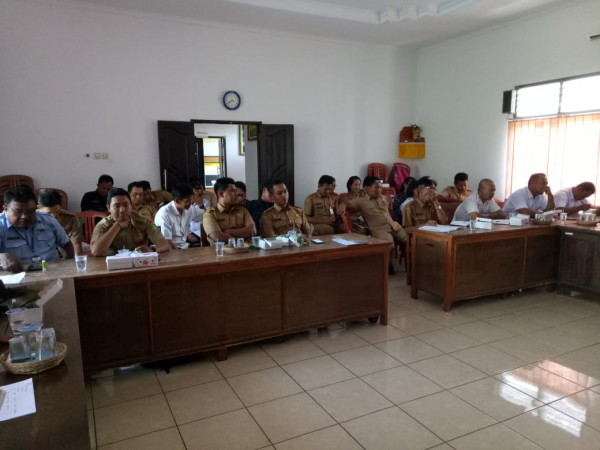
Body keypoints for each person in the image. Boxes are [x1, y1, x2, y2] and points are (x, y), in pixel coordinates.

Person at [339, 176, 406, 274]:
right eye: (376, 187)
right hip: (380, 230)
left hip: (395, 226)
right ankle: (388, 266)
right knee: (389, 246)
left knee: (412, 240)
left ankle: (415, 264)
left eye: (380, 187)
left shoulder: (383, 197)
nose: (379, 190)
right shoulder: (361, 201)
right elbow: (348, 204)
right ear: (367, 188)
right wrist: (343, 204)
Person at [0, 185, 74, 272]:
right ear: (5, 209)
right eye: (18, 212)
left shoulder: (48, 220)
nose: (24, 216)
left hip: (52, 271)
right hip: (17, 274)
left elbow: (66, 244)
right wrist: (1, 257)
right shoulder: (1, 225)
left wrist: (66, 268)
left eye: (30, 211)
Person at [90, 187, 171, 256]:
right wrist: (117, 226)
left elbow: (164, 244)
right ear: (108, 208)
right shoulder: (103, 225)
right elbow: (96, 251)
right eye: (117, 206)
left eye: (126, 205)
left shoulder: (144, 221)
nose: (122, 210)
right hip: (113, 265)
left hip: (140, 263)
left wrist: (152, 249)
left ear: (131, 206)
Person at [203, 177, 256, 244]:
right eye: (233, 191)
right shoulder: (211, 214)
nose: (236, 194)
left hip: (243, 249)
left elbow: (252, 231)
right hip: (220, 250)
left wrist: (228, 232)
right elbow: (218, 238)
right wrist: (241, 239)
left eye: (236, 191)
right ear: (222, 194)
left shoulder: (242, 210)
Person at [154, 183, 205, 249]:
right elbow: (167, 241)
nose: (191, 203)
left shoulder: (189, 209)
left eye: (191, 199)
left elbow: (206, 216)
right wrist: (179, 254)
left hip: (185, 246)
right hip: (170, 249)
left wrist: (201, 205)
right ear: (178, 200)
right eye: (187, 201)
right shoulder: (164, 214)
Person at [37, 189, 84, 255]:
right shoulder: (32, 220)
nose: (54, 216)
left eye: (57, 211)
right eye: (49, 213)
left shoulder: (70, 219)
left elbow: (76, 245)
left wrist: (75, 261)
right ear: (39, 208)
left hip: (65, 256)